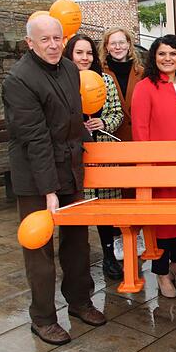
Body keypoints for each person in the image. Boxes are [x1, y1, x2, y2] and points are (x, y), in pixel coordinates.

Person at [2, 15, 105, 346]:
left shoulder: (70, 69)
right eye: (43, 39)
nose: (52, 45)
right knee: (39, 252)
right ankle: (43, 318)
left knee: (76, 243)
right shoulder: (18, 80)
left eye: (57, 38)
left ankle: (79, 302)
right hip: (36, 178)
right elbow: (35, 140)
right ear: (29, 42)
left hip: (70, 171)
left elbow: (72, 123)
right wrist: (49, 190)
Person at [131, 34, 176, 298]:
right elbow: (140, 130)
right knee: (161, 223)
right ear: (154, 57)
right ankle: (161, 273)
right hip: (160, 166)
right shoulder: (145, 86)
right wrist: (147, 168)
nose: (167, 59)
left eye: (173, 53)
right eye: (162, 54)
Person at [63, 34, 124, 280]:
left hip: (104, 155)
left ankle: (109, 255)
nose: (85, 58)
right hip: (76, 157)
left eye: (89, 53)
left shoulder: (106, 81)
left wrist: (105, 122)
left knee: (106, 212)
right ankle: (79, 264)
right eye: (79, 53)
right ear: (70, 54)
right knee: (79, 211)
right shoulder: (63, 82)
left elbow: (118, 113)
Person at [99, 27, 145, 142]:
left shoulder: (142, 73)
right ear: (106, 47)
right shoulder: (99, 75)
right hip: (111, 139)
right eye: (113, 43)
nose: (118, 47)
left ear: (129, 44)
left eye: (121, 42)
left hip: (138, 138)